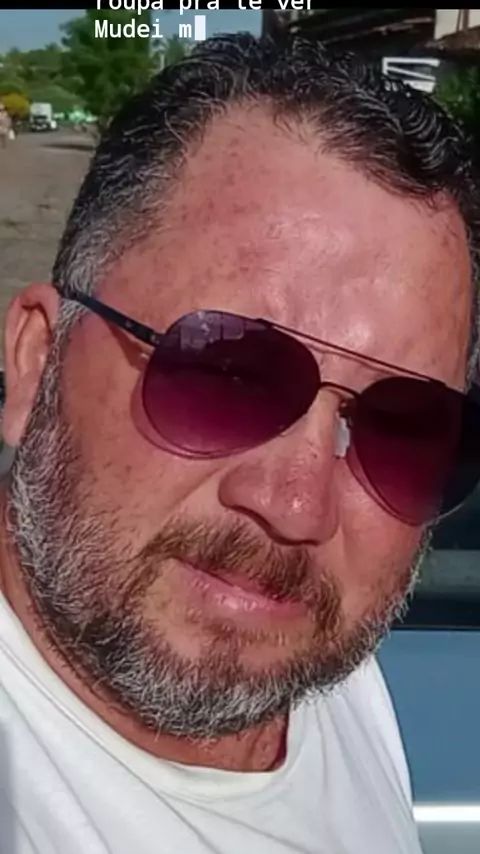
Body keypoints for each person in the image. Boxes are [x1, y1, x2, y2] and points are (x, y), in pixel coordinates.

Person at [0, 33, 479, 854]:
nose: (299, 507)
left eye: (402, 429)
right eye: (226, 374)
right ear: (36, 361)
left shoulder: (326, 676)